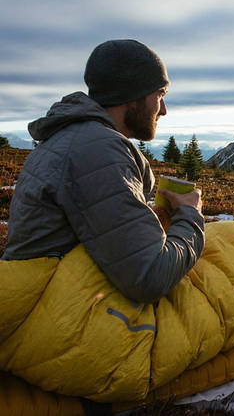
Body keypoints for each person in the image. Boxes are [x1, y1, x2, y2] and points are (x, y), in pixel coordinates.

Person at [2, 39, 205, 303]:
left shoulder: (75, 138)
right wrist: (191, 216)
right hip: (50, 310)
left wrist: (146, 221)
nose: (163, 110)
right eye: (160, 95)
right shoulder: (97, 150)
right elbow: (149, 278)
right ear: (133, 96)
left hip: (46, 299)